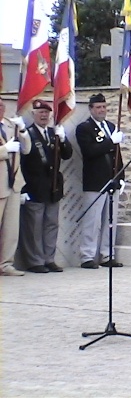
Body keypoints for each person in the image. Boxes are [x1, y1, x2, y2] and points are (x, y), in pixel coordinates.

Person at [18, 100, 73, 273]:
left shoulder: (53, 133)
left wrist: (63, 139)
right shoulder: (27, 134)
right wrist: (23, 189)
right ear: (33, 114)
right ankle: (35, 261)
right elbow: (21, 163)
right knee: (34, 227)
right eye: (40, 112)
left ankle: (49, 259)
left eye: (46, 113)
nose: (44, 115)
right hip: (34, 187)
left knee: (51, 225)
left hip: (53, 187)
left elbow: (67, 154)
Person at [75, 93, 125, 269]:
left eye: (104, 107)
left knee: (110, 221)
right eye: (98, 107)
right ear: (91, 109)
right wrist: (110, 141)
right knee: (92, 221)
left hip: (112, 180)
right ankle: (87, 255)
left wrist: (121, 176)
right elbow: (90, 151)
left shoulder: (111, 126)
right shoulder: (84, 128)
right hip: (95, 181)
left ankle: (107, 254)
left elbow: (117, 155)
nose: (102, 110)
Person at [0, 97, 31, 276]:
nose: (1, 109)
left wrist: (24, 130)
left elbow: (26, 149)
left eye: (2, 106)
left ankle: (6, 264)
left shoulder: (11, 125)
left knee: (11, 229)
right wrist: (5, 150)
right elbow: (9, 150)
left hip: (13, 183)